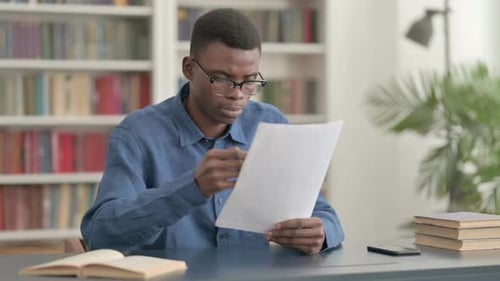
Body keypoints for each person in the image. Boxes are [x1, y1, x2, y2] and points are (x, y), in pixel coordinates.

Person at [81, 8, 344, 255]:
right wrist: (191, 187)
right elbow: (101, 234)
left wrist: (322, 233)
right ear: (189, 69)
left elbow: (321, 212)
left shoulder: (271, 124)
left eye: (250, 81)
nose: (238, 94)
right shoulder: (137, 134)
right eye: (221, 79)